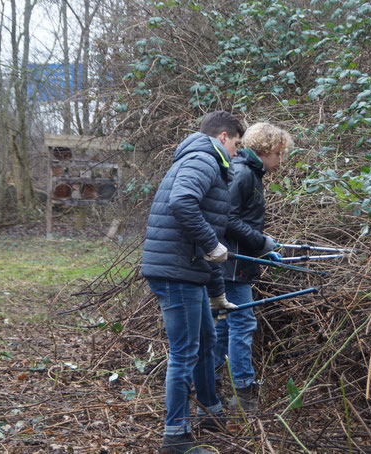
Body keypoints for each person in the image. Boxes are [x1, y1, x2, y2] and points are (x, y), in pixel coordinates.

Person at [141, 111, 245, 454]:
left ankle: (210, 412)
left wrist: (216, 294)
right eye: (237, 145)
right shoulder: (203, 158)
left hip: (186, 271)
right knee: (185, 352)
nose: (237, 153)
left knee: (206, 339)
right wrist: (215, 245)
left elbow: (208, 241)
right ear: (224, 137)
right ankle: (176, 436)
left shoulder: (207, 161)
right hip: (176, 274)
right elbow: (183, 204)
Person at [215, 122, 293, 411]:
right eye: (278, 154)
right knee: (242, 323)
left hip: (236, 262)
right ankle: (244, 394)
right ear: (265, 150)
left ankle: (212, 389)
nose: (280, 161)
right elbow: (227, 220)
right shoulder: (243, 173)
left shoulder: (250, 173)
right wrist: (262, 243)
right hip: (233, 265)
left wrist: (262, 246)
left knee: (224, 326)